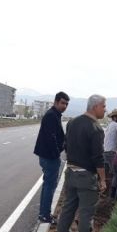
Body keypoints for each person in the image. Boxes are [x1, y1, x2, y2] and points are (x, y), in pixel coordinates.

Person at [57, 94, 107, 232]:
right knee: (86, 213)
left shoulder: (72, 122)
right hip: (86, 177)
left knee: (68, 209)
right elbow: (98, 158)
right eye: (103, 106)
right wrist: (103, 179)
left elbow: (66, 145)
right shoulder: (96, 129)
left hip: (70, 173)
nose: (105, 110)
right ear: (95, 107)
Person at [33, 92, 69, 224]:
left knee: (48, 185)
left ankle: (44, 213)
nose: (64, 106)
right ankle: (45, 215)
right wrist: (56, 154)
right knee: (49, 186)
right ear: (56, 102)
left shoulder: (55, 115)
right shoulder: (51, 116)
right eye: (62, 103)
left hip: (49, 156)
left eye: (66, 104)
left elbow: (58, 136)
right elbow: (51, 138)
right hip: (49, 157)